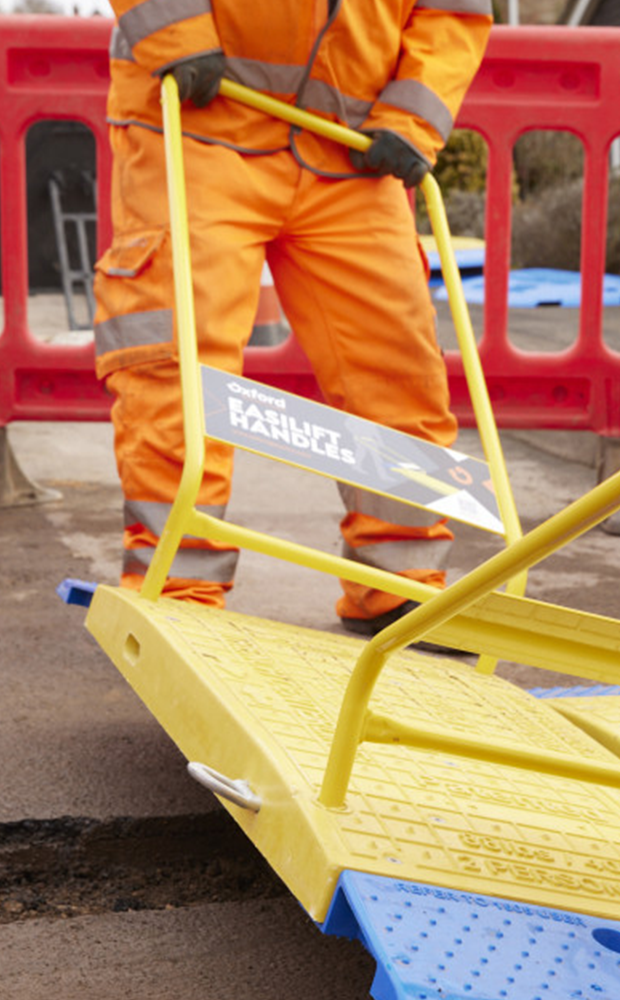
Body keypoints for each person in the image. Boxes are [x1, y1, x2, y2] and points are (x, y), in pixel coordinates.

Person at [93, 1, 492, 641]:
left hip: (352, 146)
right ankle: (176, 589)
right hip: (201, 114)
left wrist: (415, 116)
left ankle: (399, 584)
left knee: (398, 369)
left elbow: (454, 7)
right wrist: (175, 31)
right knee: (178, 368)